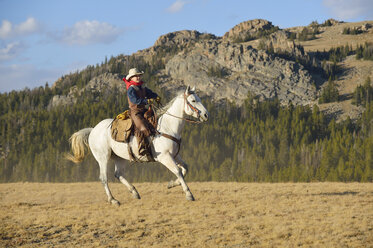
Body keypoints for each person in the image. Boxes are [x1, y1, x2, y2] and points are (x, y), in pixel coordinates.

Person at [123, 68, 160, 156]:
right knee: (143, 127)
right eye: (136, 76)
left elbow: (150, 93)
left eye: (139, 75)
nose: (138, 77)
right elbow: (135, 100)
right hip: (135, 111)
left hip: (143, 110)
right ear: (131, 78)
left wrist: (156, 97)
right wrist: (147, 101)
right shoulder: (131, 89)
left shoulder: (142, 87)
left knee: (155, 120)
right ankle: (142, 148)